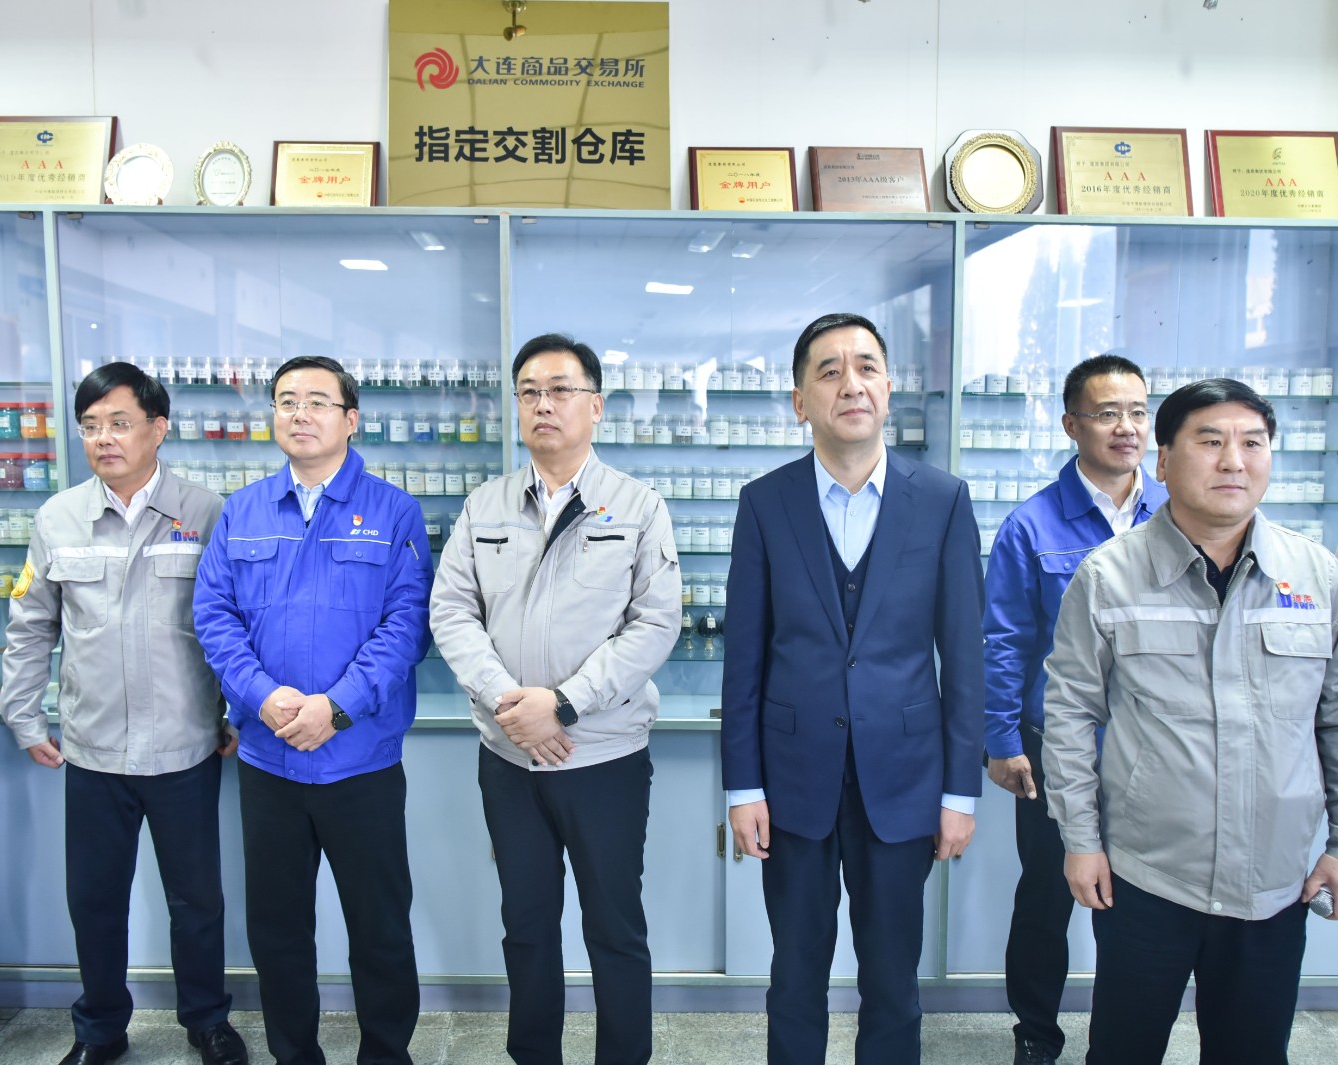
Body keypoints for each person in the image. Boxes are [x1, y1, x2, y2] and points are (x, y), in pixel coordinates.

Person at [1042, 378, 1338, 1065]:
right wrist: (1080, 839)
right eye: (1210, 442)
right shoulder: (1110, 575)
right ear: (1164, 460)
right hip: (1148, 874)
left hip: (1275, 880)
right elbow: (1070, 714)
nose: (1234, 460)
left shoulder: (1315, 576)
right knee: (1122, 1049)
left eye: (1252, 443)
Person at [722, 312, 984, 1064]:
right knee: (795, 973)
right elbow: (744, 659)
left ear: (889, 388)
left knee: (894, 979)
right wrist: (743, 787)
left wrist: (960, 793)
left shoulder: (942, 500)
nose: (851, 384)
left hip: (904, 779)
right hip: (792, 780)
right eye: (829, 371)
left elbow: (964, 656)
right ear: (800, 400)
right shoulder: (765, 503)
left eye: (866, 367)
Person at [429, 333, 681, 1065]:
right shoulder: (485, 506)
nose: (544, 404)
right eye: (530, 391)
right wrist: (513, 705)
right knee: (528, 925)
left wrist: (564, 704)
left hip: (604, 757)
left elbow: (655, 623)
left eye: (561, 389)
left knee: (614, 927)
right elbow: (451, 611)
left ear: (595, 406)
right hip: (510, 759)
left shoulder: (637, 506)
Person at [0, 363, 246, 1065]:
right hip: (93, 750)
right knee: (96, 901)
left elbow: (233, 622)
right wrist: (24, 717)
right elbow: (30, 626)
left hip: (185, 747)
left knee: (197, 901)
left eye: (118, 422)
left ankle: (207, 1020)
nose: (103, 438)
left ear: (157, 429)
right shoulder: (58, 517)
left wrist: (236, 711)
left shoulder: (206, 511)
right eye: (90, 426)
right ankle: (100, 1029)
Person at [194, 355, 432, 1065]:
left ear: (350, 419)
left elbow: (408, 624)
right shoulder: (242, 511)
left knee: (380, 927)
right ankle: (294, 1054)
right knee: (278, 929)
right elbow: (214, 615)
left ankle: (386, 1053)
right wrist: (261, 695)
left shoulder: (393, 511)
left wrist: (338, 706)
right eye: (286, 400)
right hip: (269, 760)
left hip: (361, 760)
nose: (299, 413)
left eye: (317, 401)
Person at [982, 353, 1166, 1065]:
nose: (1127, 428)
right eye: (1107, 413)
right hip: (1059, 741)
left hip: (1157, 745)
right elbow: (1004, 640)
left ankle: (1120, 1041)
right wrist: (1002, 738)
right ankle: (1036, 1031)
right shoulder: (1031, 526)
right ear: (1071, 424)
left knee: (1143, 905)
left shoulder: (1176, 513)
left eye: (1138, 412)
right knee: (1046, 896)